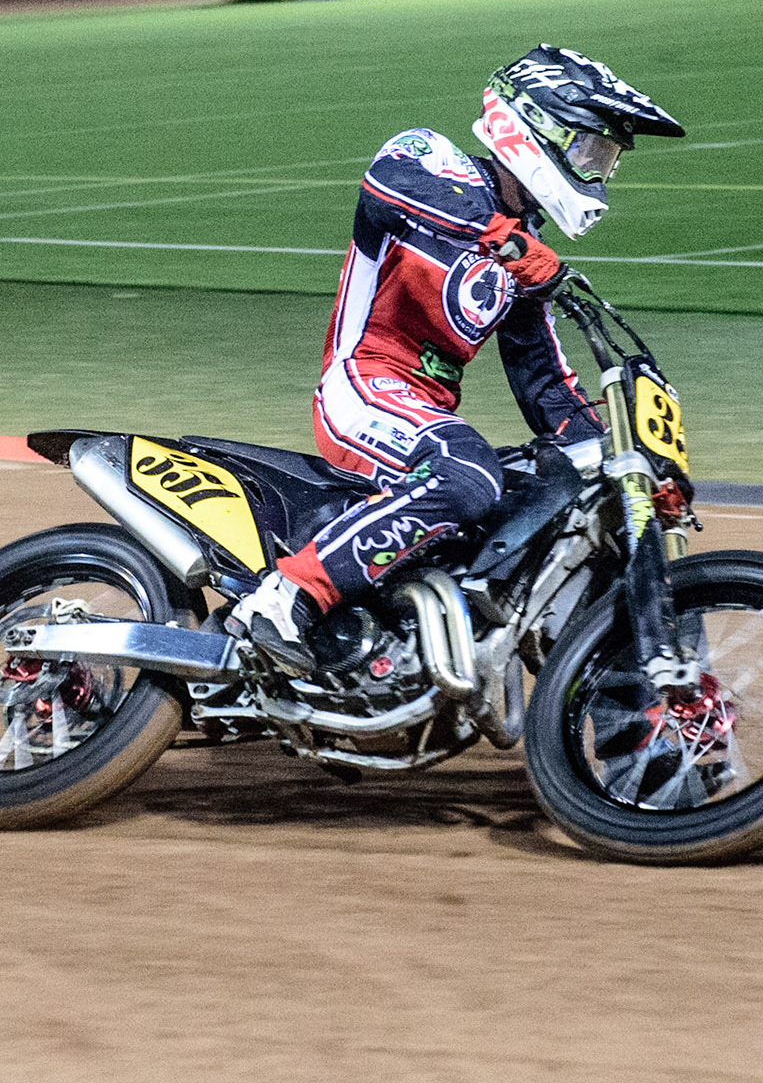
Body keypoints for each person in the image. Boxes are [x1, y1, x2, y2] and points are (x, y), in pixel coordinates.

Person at [228, 44, 685, 674]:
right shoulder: (430, 161)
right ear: (535, 128)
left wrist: (619, 457)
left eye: (606, 159)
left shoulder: (526, 251)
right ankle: (288, 598)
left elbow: (544, 381)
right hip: (362, 383)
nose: (597, 173)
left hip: (427, 411)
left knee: (569, 501)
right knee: (467, 477)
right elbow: (385, 188)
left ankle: (641, 737)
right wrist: (504, 239)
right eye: (589, 151)